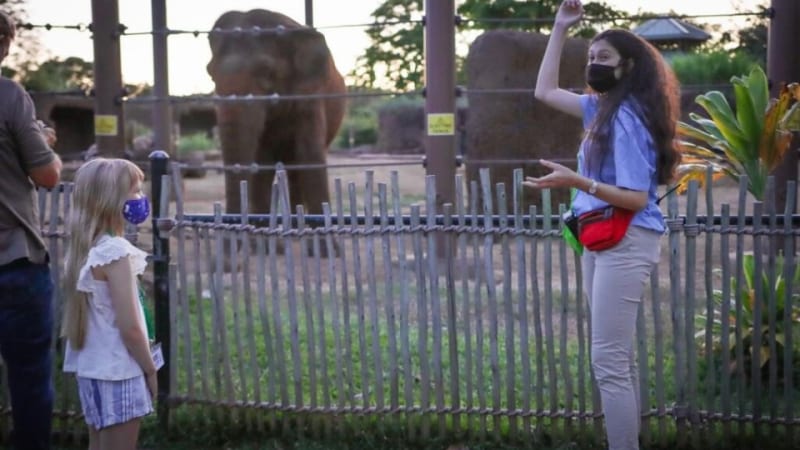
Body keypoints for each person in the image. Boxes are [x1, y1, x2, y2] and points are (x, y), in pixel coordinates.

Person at [524, 1, 681, 449]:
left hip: (626, 238)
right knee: (618, 360)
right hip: (603, 237)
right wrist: (560, 27)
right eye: (591, 57)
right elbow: (545, 91)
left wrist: (578, 181)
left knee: (609, 361)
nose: (594, 64)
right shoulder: (603, 109)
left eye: (604, 58)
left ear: (628, 66)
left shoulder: (627, 117)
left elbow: (635, 197)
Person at [62, 158, 157, 450]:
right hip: (120, 372)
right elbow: (131, 329)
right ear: (110, 200)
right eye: (135, 191)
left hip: (93, 371)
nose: (141, 198)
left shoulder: (86, 248)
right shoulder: (114, 252)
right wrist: (151, 370)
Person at [0, 10, 62, 450]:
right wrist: (44, 144)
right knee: (29, 385)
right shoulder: (9, 96)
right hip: (14, 260)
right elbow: (47, 175)